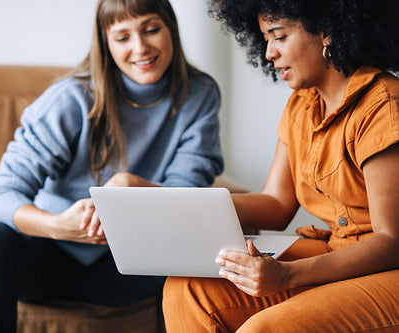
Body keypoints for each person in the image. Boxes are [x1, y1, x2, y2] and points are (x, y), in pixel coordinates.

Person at [0, 0, 224, 331]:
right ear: (105, 44)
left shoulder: (199, 95)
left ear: (170, 28)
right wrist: (59, 225)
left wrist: (134, 186)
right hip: (47, 258)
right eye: (122, 37)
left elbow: (188, 195)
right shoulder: (71, 98)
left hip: (128, 267)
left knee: (215, 252)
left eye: (151, 29)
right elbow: (0, 195)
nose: (140, 48)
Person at [163, 0, 399, 331]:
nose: (269, 53)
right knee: (187, 288)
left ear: (328, 31)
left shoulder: (384, 104)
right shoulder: (301, 104)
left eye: (279, 36)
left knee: (265, 328)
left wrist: (286, 275)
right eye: (265, 39)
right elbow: (276, 205)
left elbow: (392, 241)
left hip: (389, 269)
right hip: (335, 250)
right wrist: (182, 204)